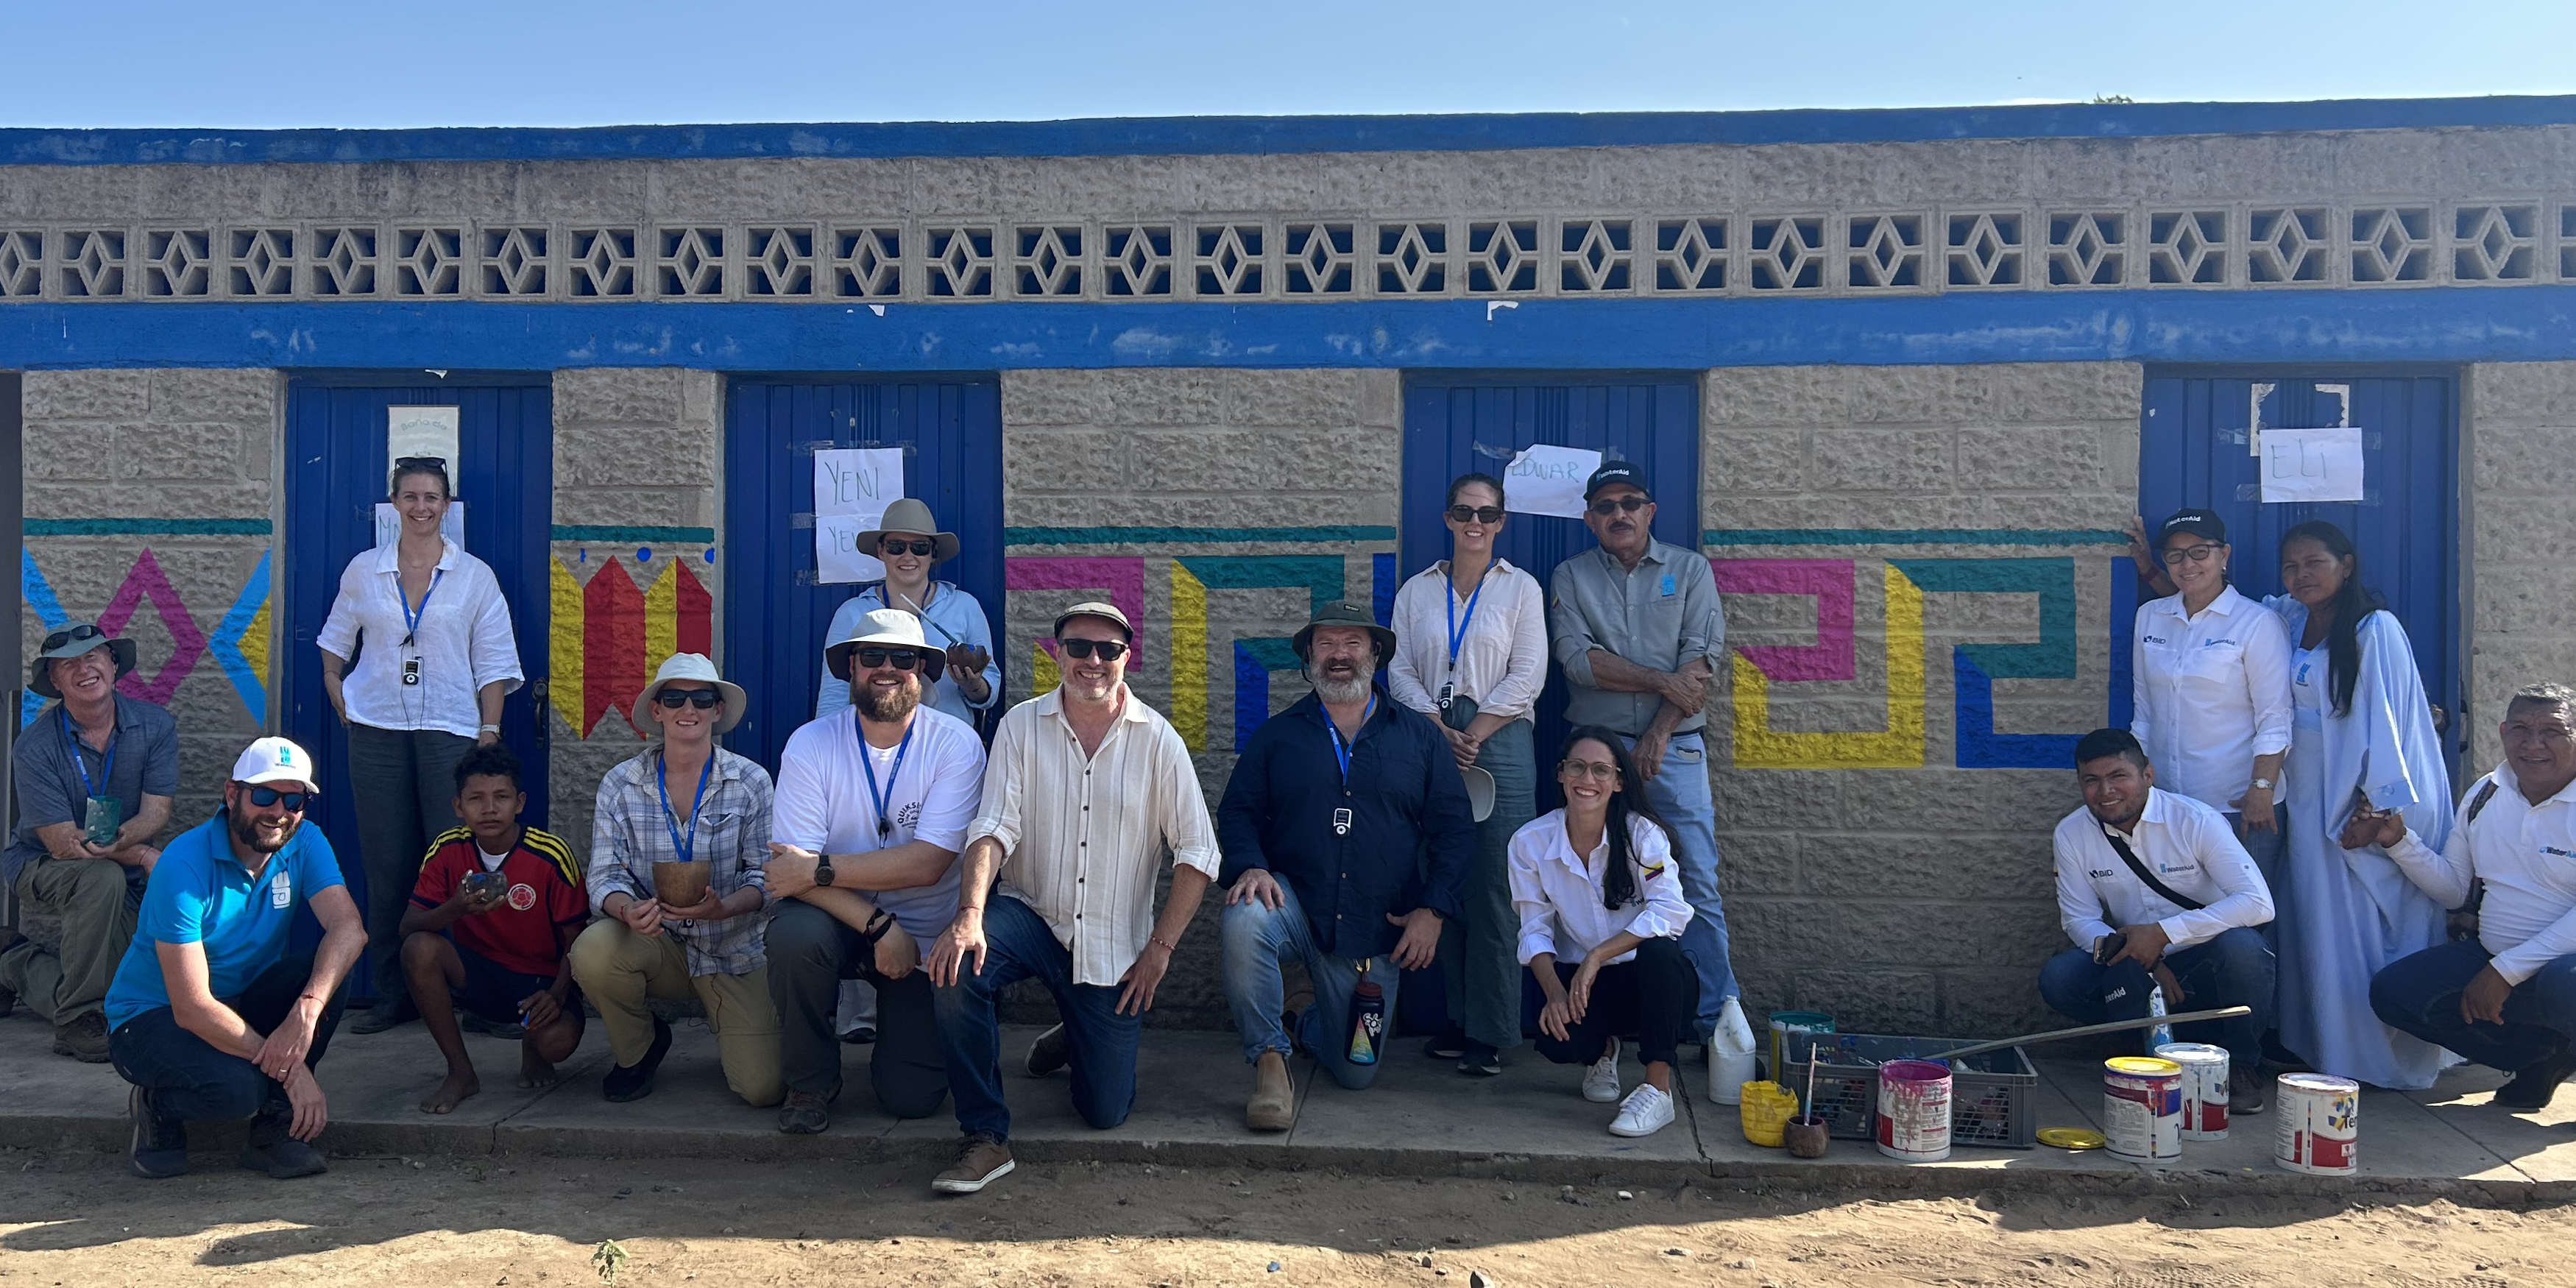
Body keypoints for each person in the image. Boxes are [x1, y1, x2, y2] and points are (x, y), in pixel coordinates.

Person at [925, 602, 1220, 1195]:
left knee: (1104, 1111)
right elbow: (992, 828)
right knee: (956, 966)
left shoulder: (1158, 740)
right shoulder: (1020, 725)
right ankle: (985, 1137)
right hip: (1031, 916)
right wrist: (969, 916)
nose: (1092, 660)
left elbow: (1198, 854)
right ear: (1056, 652)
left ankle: (1075, 1034)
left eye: (1107, 650)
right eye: (1079, 647)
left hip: (1111, 947)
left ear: (1125, 659)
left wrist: (1160, 950)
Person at [1220, 601, 1474, 1129]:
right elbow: (1239, 810)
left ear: (1375, 655)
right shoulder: (1278, 735)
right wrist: (1250, 866)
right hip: (1293, 906)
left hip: (1372, 931)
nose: (1340, 655)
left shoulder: (1420, 738)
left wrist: (1433, 909)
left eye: (1353, 643)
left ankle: (1303, 1016)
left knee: (1356, 1072)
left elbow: (1453, 830)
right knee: (1245, 919)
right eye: (1327, 644)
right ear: (1310, 657)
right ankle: (1270, 1060)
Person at [319, 456, 524, 1036]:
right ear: (394, 503)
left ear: (446, 505)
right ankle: (395, 993)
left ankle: (475, 994)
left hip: (451, 731)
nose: (421, 507)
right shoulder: (364, 570)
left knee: (461, 863)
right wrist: (335, 685)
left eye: (432, 497)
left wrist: (490, 732)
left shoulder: (474, 576)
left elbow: (496, 661)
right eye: (410, 497)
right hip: (377, 730)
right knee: (388, 866)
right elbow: (335, 639)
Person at [765, 609, 986, 1134]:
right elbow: (786, 873)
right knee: (794, 936)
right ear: (849, 669)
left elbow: (929, 864)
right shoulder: (810, 743)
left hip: (926, 935)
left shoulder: (957, 744)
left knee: (911, 1099)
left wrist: (816, 870)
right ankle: (811, 1079)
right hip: (840, 923)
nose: (887, 668)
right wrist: (877, 925)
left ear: (923, 670)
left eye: (904, 658)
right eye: (871, 657)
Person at [105, 737, 365, 1180]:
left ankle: (274, 1134)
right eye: (263, 795)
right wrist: (291, 1070)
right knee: (238, 1092)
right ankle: (157, 1104)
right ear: (232, 795)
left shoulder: (305, 841)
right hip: (153, 1017)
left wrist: (306, 1010)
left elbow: (349, 929)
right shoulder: (182, 865)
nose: (278, 811)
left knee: (326, 972)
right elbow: (192, 1008)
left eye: (293, 798)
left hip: (237, 1001)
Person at [1546, 460, 1736, 1044]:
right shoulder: (1570, 577)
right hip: (1597, 756)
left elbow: (1702, 662)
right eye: (1605, 506)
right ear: (1589, 519)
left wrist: (1658, 731)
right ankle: (1605, 1029)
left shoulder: (1690, 569)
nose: (1619, 514)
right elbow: (1579, 660)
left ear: (1649, 511)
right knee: (1596, 883)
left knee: (1696, 879)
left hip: (1674, 748)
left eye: (1630, 502)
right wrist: (1662, 682)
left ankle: (1712, 1026)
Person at [2263, 520, 2454, 1088]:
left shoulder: (2377, 630)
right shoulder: (2291, 619)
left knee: (2363, 927)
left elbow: (2395, 728)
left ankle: (2375, 1059)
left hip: (2358, 800)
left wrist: (2373, 813)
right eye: (2291, 566)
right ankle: (2325, 1048)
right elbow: (2222, 607)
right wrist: (2154, 574)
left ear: (2346, 565)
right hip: (2305, 794)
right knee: (2319, 926)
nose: (2301, 575)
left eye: (2314, 563)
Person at [811, 498, 1001, 1048]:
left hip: (941, 764)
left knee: (938, 870)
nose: (908, 555)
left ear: (933, 554)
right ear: (881, 552)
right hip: (870, 756)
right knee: (858, 861)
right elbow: (832, 695)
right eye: (896, 546)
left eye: (920, 547)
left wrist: (969, 682)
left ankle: (935, 992)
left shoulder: (963, 608)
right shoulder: (852, 615)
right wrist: (836, 753)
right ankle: (860, 1012)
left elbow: (990, 692)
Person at [1387, 472, 1547, 1077]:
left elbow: (1530, 672)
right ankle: (1457, 1019)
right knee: (1442, 875)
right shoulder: (1416, 592)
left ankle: (1493, 1030)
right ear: (1449, 519)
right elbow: (1397, 667)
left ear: (1501, 522)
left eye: (1487, 513)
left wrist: (1474, 733)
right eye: (1464, 512)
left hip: (1499, 738)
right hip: (1429, 735)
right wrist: (1435, 727)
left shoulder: (1520, 589)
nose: (1475, 523)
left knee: (1496, 887)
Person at [569, 654, 781, 1108]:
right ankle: (639, 1049)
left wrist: (725, 907)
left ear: (718, 711)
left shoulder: (752, 781)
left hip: (734, 948)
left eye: (702, 698)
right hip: (657, 941)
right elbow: (604, 876)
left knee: (763, 1090)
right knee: (593, 950)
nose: (690, 709)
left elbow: (768, 877)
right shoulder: (619, 784)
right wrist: (627, 910)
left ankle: (734, 1024)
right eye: (675, 698)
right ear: (659, 710)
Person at [2363, 683, 2576, 1110]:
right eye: (2520, 729)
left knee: (2562, 985)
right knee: (2396, 993)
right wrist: (2400, 842)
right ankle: (2542, 1058)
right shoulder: (2486, 793)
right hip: (2497, 956)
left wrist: (2506, 971)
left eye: (2552, 731)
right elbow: (2457, 889)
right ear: (2501, 732)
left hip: (2560, 969)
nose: (2533, 744)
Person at [2040, 728, 2276, 1110]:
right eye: (2092, 781)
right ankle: (2137, 1045)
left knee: (2246, 948)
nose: (2106, 792)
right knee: (2060, 978)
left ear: (2147, 776)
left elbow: (2258, 904)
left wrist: (2164, 935)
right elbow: (2079, 919)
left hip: (2206, 954)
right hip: (2132, 957)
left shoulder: (2195, 820)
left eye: (2119, 776)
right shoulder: (2072, 833)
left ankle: (2241, 1067)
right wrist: (2140, 958)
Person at [0, 622, 177, 1063]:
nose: (84, 668)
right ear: (55, 682)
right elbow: (62, 844)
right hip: (40, 863)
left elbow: (156, 813)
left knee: (132, 988)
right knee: (101, 876)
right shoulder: (34, 745)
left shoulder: (154, 725)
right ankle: (75, 1019)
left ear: (113, 665)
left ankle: (13, 962)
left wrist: (134, 851)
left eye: (92, 656)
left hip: (121, 876)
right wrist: (138, 852)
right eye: (67, 665)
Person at [1509, 727, 1697, 1137]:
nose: (1587, 780)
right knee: (1559, 1043)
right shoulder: (1530, 842)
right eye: (1577, 767)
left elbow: (1672, 910)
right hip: (1582, 985)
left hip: (1650, 982)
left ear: (1618, 781)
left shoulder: (1642, 835)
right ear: (1560, 774)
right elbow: (1534, 929)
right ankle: (1604, 1051)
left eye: (1600, 770)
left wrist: (1597, 955)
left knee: (1660, 954)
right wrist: (1555, 994)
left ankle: (1657, 1089)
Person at [395, 743, 587, 1115]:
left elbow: (577, 941)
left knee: (557, 1043)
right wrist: (456, 907)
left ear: (519, 802)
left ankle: (534, 1047)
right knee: (418, 949)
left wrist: (558, 995)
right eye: (476, 799)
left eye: (501, 797)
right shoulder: (447, 850)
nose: (488, 808)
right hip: (479, 975)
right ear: (458, 806)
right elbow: (408, 927)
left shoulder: (550, 855)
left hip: (541, 982)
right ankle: (461, 1072)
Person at [2125, 509, 2293, 917]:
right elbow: (2143, 711)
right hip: (2168, 804)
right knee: (2171, 915)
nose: (2187, 564)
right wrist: (2141, 789)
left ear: (2224, 555)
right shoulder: (2150, 617)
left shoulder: (2257, 624)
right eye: (2175, 555)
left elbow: (2275, 716)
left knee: (2244, 924)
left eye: (2199, 552)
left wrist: (2262, 790)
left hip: (2237, 806)